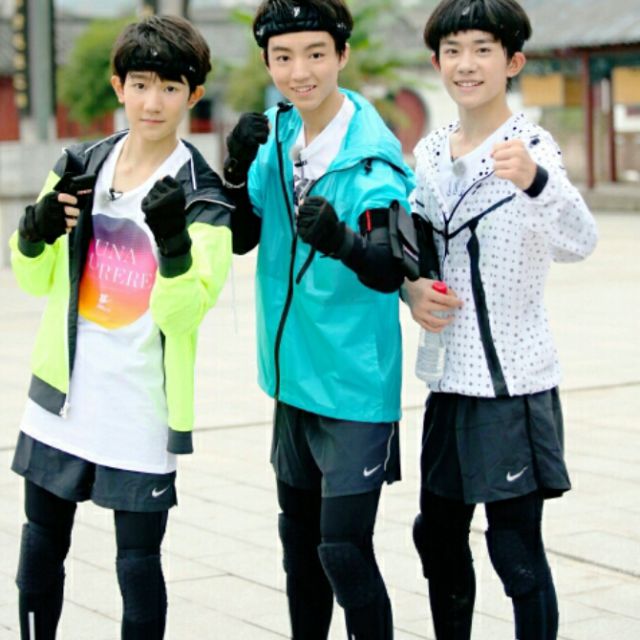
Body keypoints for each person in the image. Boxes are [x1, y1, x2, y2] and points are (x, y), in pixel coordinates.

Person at [9, 15, 232, 640]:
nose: (152, 102)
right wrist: (35, 230)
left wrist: (174, 246)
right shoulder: (80, 166)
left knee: (137, 567)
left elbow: (182, 317)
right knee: (39, 550)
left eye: (169, 87)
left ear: (193, 94)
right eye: (140, 85)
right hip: (63, 398)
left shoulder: (204, 199)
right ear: (119, 86)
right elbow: (32, 279)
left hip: (140, 408)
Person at [403, 1, 599, 639]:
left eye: (483, 49)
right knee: (437, 539)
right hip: (447, 384)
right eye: (453, 50)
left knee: (515, 552)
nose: (467, 64)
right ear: (437, 62)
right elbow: (414, 249)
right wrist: (410, 290)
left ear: (512, 62)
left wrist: (538, 183)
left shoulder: (533, 148)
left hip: (512, 384)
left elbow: (581, 242)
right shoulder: (430, 152)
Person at [221, 1, 417, 637]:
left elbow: (390, 269)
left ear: (342, 55)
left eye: (314, 54)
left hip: (355, 384)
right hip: (291, 379)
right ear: (267, 61)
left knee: (343, 552)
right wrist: (234, 169)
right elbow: (241, 237)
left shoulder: (373, 158)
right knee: (300, 551)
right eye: (283, 57)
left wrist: (343, 242)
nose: (299, 72)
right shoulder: (278, 137)